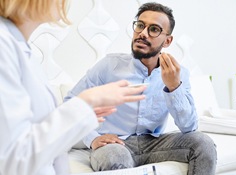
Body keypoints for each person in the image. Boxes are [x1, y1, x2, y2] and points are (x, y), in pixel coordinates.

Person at [65, 2, 217, 175]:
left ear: (167, 41)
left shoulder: (177, 74)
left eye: (153, 29)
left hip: (154, 143)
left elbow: (189, 127)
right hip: (115, 144)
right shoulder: (109, 66)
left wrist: (174, 87)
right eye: (140, 25)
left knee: (203, 144)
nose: (143, 33)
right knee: (115, 157)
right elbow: (71, 103)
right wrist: (93, 138)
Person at [0, 0, 147, 175]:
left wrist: (83, 112)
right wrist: (85, 104)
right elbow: (13, 159)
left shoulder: (22, 50)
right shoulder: (4, 47)